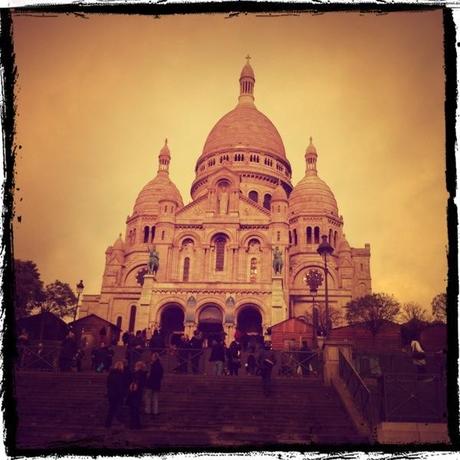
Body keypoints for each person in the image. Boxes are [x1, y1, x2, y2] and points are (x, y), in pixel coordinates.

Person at [105, 361, 126, 428]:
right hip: (117, 394)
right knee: (117, 408)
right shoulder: (119, 375)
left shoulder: (111, 374)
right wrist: (122, 394)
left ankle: (108, 423)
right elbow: (120, 386)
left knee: (111, 409)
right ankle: (116, 422)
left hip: (111, 394)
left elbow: (108, 384)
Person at [127, 361, 147, 429]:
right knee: (136, 409)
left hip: (134, 392)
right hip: (139, 393)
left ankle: (133, 424)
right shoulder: (143, 374)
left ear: (138, 366)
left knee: (134, 409)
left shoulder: (136, 374)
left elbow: (132, 381)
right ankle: (137, 424)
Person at [145, 352, 164, 417]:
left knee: (148, 397)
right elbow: (161, 375)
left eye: (152, 357)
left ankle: (148, 410)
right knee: (155, 398)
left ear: (155, 358)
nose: (151, 358)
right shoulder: (160, 366)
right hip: (157, 383)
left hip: (150, 383)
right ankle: (155, 411)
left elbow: (150, 375)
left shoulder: (152, 366)